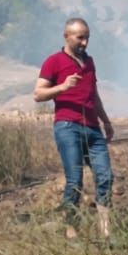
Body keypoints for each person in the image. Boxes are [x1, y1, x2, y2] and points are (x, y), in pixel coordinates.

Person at [34, 17, 114, 237]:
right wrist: (63, 86)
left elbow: (94, 95)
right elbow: (38, 94)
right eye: (80, 38)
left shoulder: (89, 62)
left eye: (87, 38)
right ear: (66, 36)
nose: (85, 43)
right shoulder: (54, 61)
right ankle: (71, 230)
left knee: (105, 176)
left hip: (93, 128)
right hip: (68, 126)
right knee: (75, 179)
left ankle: (105, 231)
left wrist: (105, 121)